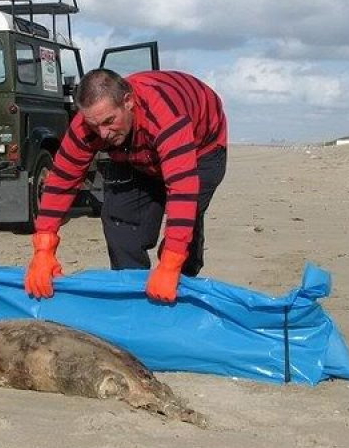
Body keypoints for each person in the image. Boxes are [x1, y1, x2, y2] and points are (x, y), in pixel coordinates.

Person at [25, 68, 228, 302]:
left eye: (109, 121)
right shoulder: (89, 124)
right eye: (94, 126)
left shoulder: (164, 116)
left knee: (185, 224)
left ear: (128, 101)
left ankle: (181, 288)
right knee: (119, 220)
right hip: (136, 153)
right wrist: (43, 247)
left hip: (202, 148)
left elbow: (182, 190)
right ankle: (134, 298)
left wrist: (171, 263)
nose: (103, 134)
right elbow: (62, 179)